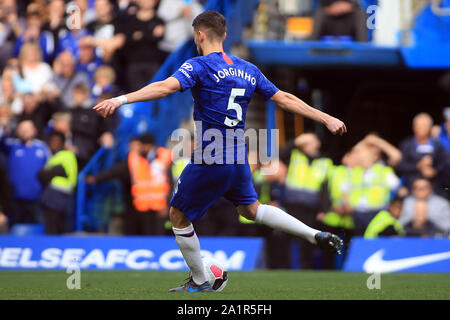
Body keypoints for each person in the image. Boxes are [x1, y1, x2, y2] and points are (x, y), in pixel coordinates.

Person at [94, 10, 346, 292]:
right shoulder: (248, 69)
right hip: (239, 156)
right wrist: (325, 117)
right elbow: (284, 98)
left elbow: (166, 87)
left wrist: (121, 99)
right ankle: (314, 235)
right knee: (250, 209)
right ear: (224, 35)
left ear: (199, 35)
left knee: (177, 214)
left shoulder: (199, 66)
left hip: (210, 156)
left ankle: (201, 278)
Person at [86, 133, 171, 235]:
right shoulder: (135, 159)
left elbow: (171, 182)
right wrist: (96, 178)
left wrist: (168, 203)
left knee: (158, 235)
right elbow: (116, 171)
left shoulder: (164, 157)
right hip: (142, 207)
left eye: (140, 145)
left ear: (147, 145)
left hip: (160, 207)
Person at [279, 133, 334, 269]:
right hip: (291, 205)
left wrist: (323, 209)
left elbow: (326, 188)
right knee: (285, 237)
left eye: (312, 142)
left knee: (307, 239)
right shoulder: (295, 155)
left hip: (311, 207)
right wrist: (298, 139)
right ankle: (283, 268)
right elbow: (280, 153)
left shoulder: (326, 162)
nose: (309, 145)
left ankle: (306, 268)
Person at [0, 120, 50, 225]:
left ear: (34, 130)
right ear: (18, 131)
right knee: (14, 230)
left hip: (37, 198)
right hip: (15, 197)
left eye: (27, 129)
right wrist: (3, 127)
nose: (25, 132)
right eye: (22, 129)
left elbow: (49, 168)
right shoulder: (12, 146)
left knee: (40, 228)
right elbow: (2, 141)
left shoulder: (42, 147)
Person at [38, 131, 78, 234]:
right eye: (52, 141)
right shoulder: (56, 156)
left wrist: (44, 174)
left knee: (55, 227)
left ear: (63, 143)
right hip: (55, 195)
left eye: (56, 141)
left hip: (58, 196)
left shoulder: (65, 155)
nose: (53, 143)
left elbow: (45, 174)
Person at [397, 113, 447, 195]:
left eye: (424, 126)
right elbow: (401, 166)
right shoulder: (407, 145)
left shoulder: (438, 145)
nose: (421, 129)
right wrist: (418, 166)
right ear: (414, 127)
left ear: (430, 128)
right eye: (419, 126)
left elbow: (443, 164)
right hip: (412, 188)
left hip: (435, 188)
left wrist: (434, 171)